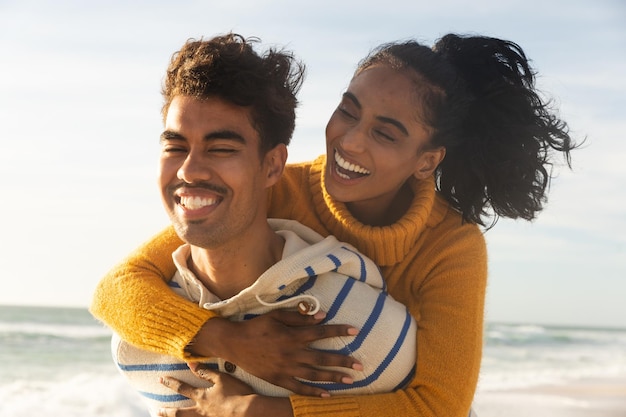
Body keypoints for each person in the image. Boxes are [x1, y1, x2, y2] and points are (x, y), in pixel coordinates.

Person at [91, 33, 576, 417]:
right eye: (348, 110)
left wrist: (267, 412)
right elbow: (117, 288)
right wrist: (231, 343)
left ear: (426, 161)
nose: (350, 141)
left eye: (384, 133)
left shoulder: (451, 246)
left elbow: (438, 405)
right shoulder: (281, 185)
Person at [106, 34, 417, 417]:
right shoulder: (137, 342)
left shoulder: (357, 328)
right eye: (175, 146)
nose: (189, 170)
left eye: (221, 148)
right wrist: (222, 340)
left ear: (272, 166)